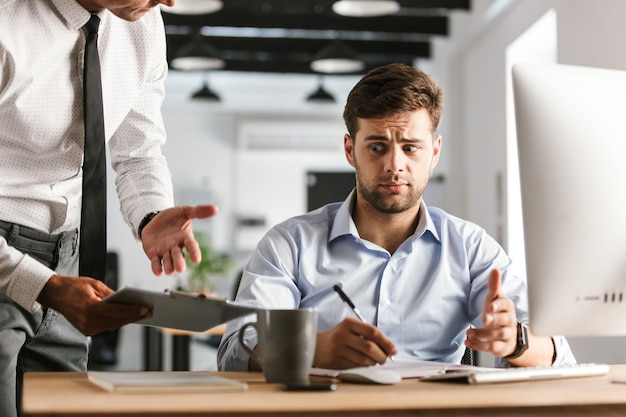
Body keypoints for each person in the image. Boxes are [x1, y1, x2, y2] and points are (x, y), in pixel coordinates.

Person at [217, 63, 576, 373]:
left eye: (410, 147)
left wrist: (516, 341)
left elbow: (557, 353)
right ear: (350, 150)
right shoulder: (289, 245)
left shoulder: (469, 248)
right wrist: (309, 350)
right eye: (376, 147)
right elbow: (236, 349)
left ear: (434, 152)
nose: (394, 164)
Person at [0, 1, 218, 416]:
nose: (169, 1)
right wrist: (42, 285)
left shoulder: (144, 25)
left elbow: (139, 150)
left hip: (69, 260)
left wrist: (151, 215)